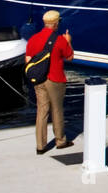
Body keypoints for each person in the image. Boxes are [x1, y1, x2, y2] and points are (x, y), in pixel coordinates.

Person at [26, 10, 73, 154]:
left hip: (39, 79)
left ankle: (40, 146)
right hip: (55, 79)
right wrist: (68, 42)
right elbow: (70, 57)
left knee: (42, 111)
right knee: (57, 110)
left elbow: (28, 60)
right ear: (56, 23)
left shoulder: (33, 39)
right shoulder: (60, 40)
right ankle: (60, 141)